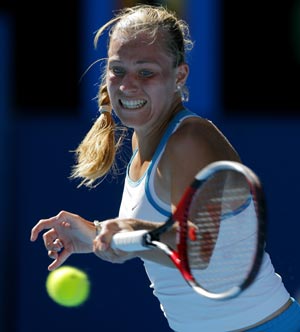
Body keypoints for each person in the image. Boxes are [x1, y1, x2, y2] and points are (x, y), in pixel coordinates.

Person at [30, 5, 300, 332]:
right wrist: (96, 234)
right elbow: (159, 238)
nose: (128, 85)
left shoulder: (190, 140)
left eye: (146, 72)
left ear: (180, 75)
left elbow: (198, 252)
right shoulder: (141, 142)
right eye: (118, 70)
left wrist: (127, 229)